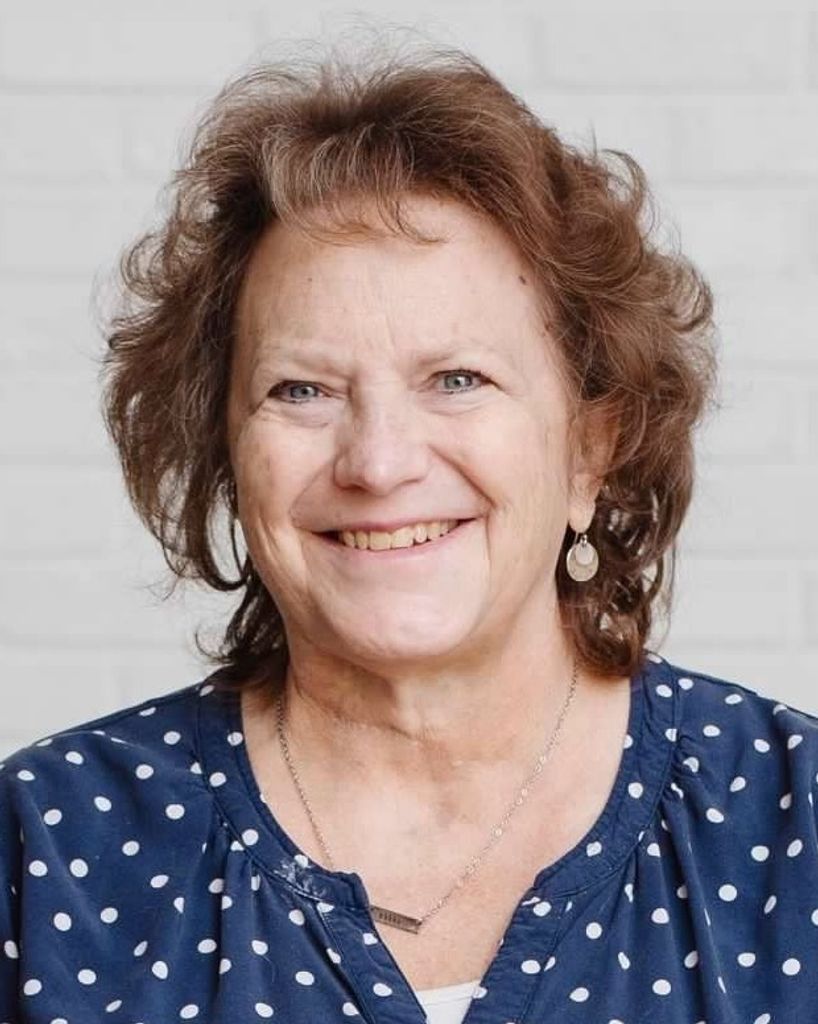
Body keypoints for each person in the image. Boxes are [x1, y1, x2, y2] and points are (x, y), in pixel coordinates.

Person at [1, 42, 816, 1024]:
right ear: (225, 450)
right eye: (301, 390)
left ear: (588, 451)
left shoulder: (792, 819)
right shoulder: (46, 848)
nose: (378, 463)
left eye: (457, 379)